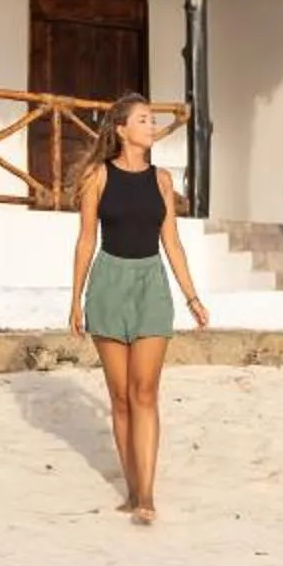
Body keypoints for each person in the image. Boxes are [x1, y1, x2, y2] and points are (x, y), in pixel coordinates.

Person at [68, 91, 208, 523]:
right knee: (122, 398)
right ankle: (131, 491)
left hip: (152, 286)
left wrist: (192, 296)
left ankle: (145, 496)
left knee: (145, 391)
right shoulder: (98, 177)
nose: (152, 126)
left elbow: (173, 243)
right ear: (122, 129)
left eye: (152, 120)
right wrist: (75, 299)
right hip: (108, 284)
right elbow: (87, 239)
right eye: (144, 120)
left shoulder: (163, 180)